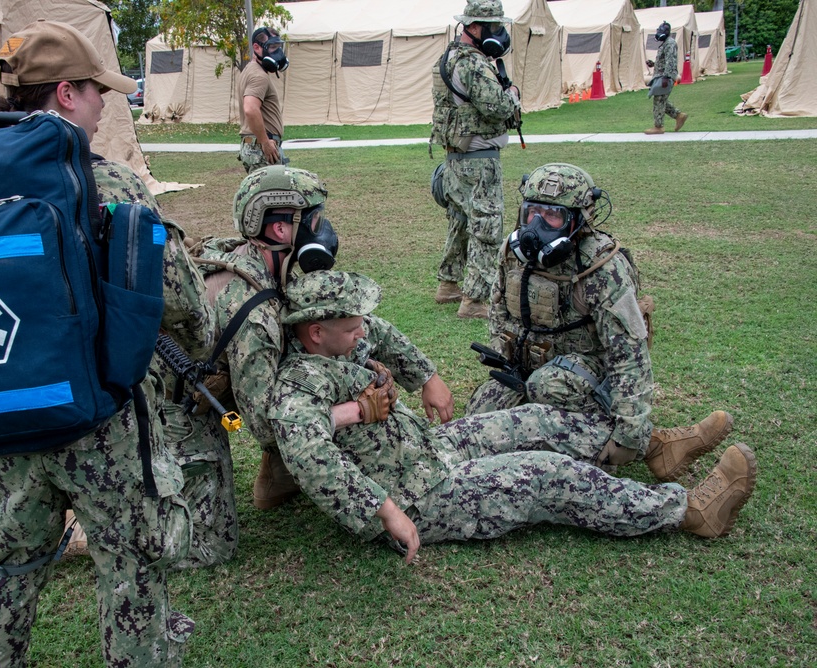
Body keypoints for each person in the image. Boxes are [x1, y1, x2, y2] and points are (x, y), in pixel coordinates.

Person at [0, 20, 212, 666]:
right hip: (98, 425)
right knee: (131, 570)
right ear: (67, 94)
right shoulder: (112, 186)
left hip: (4, 420)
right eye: (98, 90)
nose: (108, 104)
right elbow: (180, 297)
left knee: (10, 571)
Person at [268, 270, 758, 564]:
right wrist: (386, 511)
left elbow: (383, 334)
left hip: (426, 451)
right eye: (351, 329)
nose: (362, 334)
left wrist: (429, 376)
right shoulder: (299, 385)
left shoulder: (340, 340)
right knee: (549, 476)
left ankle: (655, 448)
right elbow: (311, 458)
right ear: (315, 333)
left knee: (538, 420)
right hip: (416, 496)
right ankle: (688, 512)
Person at [198, 165, 455, 510]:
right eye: (314, 220)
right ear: (279, 228)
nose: (323, 229)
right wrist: (356, 410)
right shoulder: (253, 313)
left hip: (245, 383)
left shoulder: (271, 265)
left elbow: (361, 325)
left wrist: (426, 376)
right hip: (186, 413)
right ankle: (279, 473)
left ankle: (282, 472)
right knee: (205, 546)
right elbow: (264, 423)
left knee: (336, 343)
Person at [465, 162, 730, 482]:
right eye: (532, 212)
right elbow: (498, 309)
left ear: (579, 219)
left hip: (587, 371)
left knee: (545, 388)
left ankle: (646, 442)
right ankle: (660, 448)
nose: (537, 224)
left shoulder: (603, 269)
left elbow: (630, 358)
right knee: (475, 424)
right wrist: (503, 349)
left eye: (553, 216)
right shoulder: (513, 251)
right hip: (528, 368)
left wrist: (628, 435)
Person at [430, 0, 521, 319]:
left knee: (461, 221)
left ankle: (448, 284)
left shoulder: (450, 56)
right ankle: (475, 301)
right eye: (494, 27)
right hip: (479, 157)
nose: (499, 33)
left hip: (456, 157)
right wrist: (513, 96)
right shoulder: (474, 64)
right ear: (474, 27)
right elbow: (496, 107)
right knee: (486, 224)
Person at [237, 26, 289, 173]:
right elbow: (250, 109)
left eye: (278, 47)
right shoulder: (258, 76)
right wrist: (265, 142)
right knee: (272, 194)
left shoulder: (250, 70)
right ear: (256, 47)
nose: (277, 53)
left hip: (257, 145)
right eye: (272, 47)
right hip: (262, 147)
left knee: (268, 194)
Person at [645, 21, 688, 135]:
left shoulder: (670, 43)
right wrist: (654, 64)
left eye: (661, 31)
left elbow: (671, 61)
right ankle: (679, 115)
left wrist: (666, 77)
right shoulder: (665, 43)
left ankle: (658, 127)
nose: (659, 33)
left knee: (659, 100)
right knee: (661, 100)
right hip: (661, 75)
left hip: (664, 77)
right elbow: (665, 61)